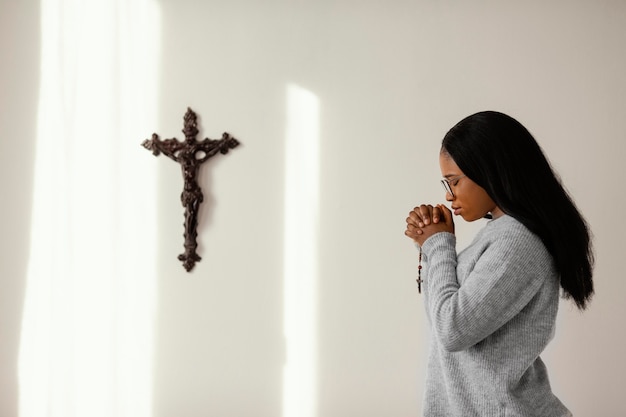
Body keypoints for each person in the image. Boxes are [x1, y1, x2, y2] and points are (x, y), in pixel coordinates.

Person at [404, 111, 594, 417]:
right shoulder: (500, 235)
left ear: (490, 170)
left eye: (454, 181)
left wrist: (438, 246)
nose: (448, 195)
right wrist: (430, 244)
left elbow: (453, 330)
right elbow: (447, 322)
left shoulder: (517, 242)